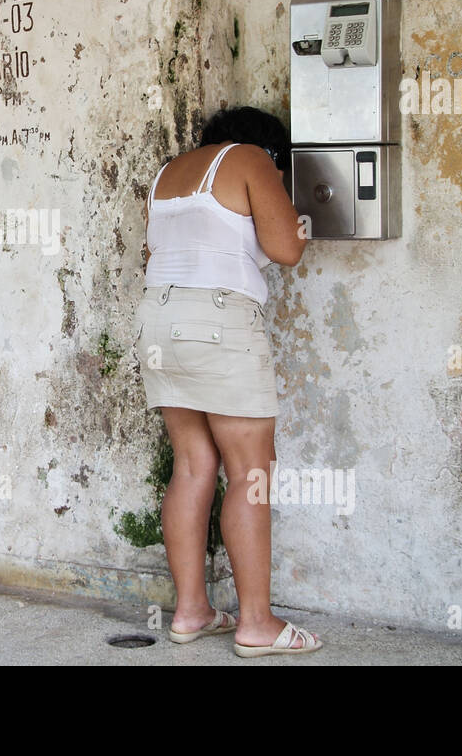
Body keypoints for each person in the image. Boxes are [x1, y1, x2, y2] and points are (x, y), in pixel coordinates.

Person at [135, 106, 322, 657]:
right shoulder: (249, 161)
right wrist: (296, 219)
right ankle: (256, 623)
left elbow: (154, 252)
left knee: (192, 467)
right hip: (219, 324)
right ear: (271, 153)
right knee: (251, 474)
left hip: (159, 323)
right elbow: (287, 248)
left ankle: (192, 610)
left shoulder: (168, 173)